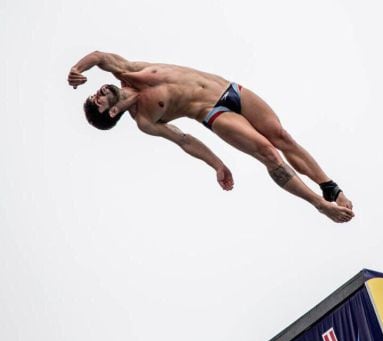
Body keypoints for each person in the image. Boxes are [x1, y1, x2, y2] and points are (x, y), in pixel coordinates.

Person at [67, 51, 354, 223]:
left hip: (228, 89)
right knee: (267, 152)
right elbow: (184, 140)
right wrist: (216, 163)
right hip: (212, 113)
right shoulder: (145, 119)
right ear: (112, 114)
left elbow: (100, 57)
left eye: (95, 93)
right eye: (98, 102)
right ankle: (319, 205)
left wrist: (77, 69)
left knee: (281, 136)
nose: (99, 93)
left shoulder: (129, 71)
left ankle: (330, 189)